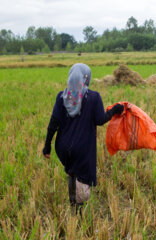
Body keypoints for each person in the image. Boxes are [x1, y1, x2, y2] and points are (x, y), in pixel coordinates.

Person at [42, 63, 124, 212]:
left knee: (71, 171)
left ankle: (72, 201)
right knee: (83, 176)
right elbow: (100, 120)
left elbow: (53, 124)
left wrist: (47, 146)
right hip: (83, 147)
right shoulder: (93, 97)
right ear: (86, 78)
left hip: (63, 147)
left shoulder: (62, 97)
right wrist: (115, 110)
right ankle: (79, 210)